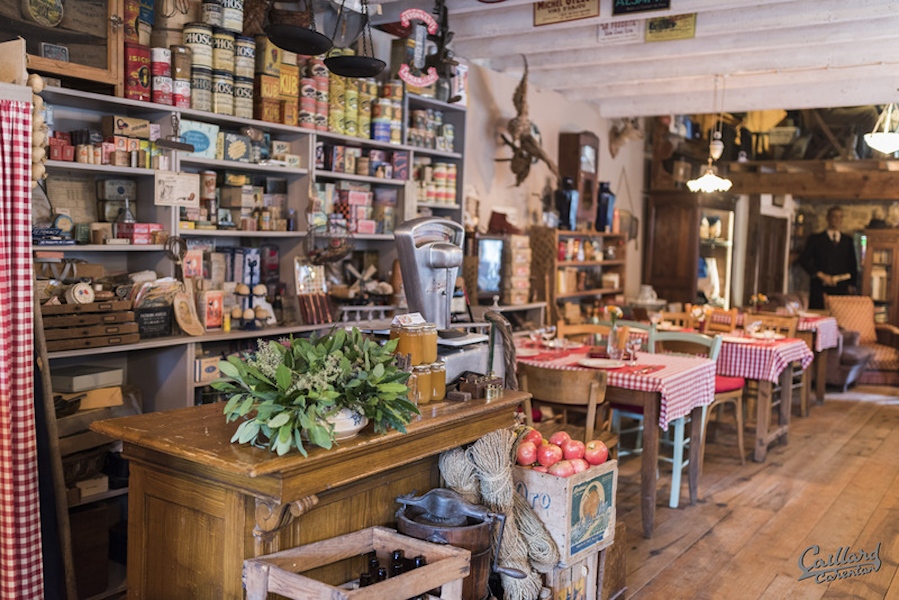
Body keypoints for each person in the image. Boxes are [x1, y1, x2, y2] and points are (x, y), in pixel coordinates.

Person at [800, 206, 858, 309]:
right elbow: (804, 260)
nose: (837, 220)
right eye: (834, 217)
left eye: (840, 217)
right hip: (820, 286)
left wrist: (852, 284)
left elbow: (852, 263)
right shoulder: (816, 239)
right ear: (828, 218)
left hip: (841, 287)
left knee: (839, 316)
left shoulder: (847, 240)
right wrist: (820, 275)